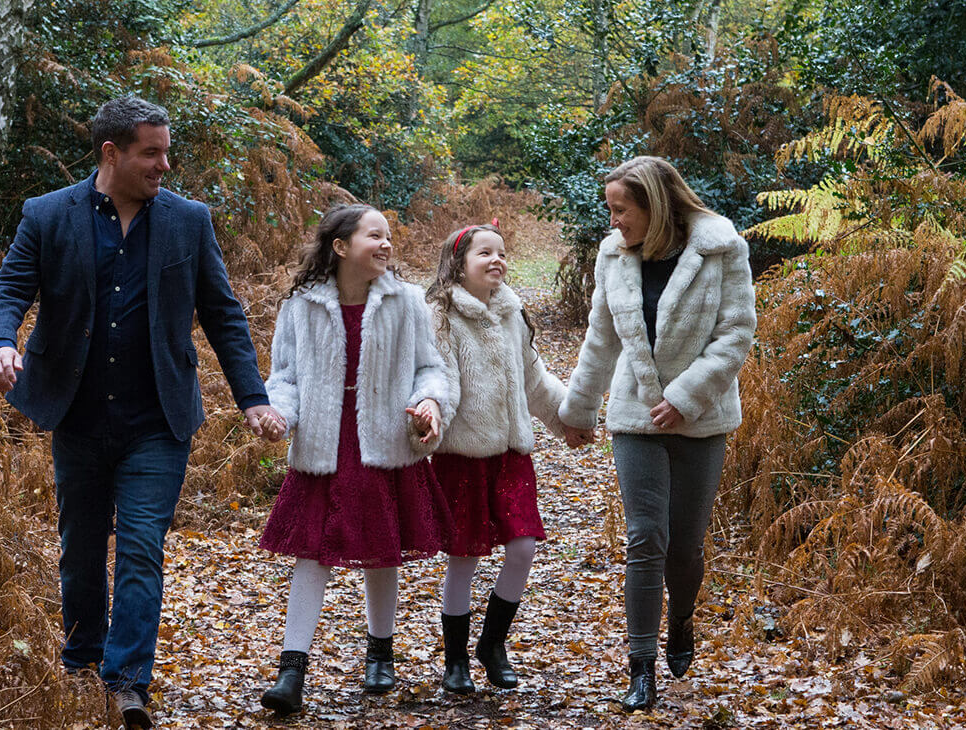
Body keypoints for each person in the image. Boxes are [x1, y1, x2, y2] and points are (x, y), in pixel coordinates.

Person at [0, 95, 286, 729]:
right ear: (112, 153)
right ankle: (82, 660)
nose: (164, 165)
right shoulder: (47, 216)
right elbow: (6, 291)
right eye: (152, 153)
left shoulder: (188, 221)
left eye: (166, 152)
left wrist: (252, 397)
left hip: (158, 421)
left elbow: (223, 315)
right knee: (81, 548)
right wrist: (0, 343)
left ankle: (126, 680)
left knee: (142, 547)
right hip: (78, 416)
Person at [555, 156, 756, 712]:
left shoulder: (721, 248)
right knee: (646, 537)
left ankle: (682, 621)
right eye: (610, 210)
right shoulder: (613, 254)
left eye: (622, 209)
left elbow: (736, 331)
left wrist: (687, 396)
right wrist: (578, 409)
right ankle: (640, 666)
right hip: (635, 415)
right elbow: (600, 337)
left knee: (685, 545)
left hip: (702, 418)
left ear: (656, 205)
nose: (613, 220)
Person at [256, 204, 453, 715]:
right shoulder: (300, 305)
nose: (387, 244)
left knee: (382, 548)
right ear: (341, 246)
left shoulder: (408, 301)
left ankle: (379, 652)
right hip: (323, 443)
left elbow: (430, 369)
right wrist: (278, 415)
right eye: (375, 236)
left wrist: (429, 402)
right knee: (313, 553)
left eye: (389, 236)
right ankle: (291, 670)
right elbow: (285, 378)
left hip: (384, 442)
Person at [422, 222, 567, 694]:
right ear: (459, 265)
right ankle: (456, 660)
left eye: (502, 253)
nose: (496, 260)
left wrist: (569, 423)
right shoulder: (441, 316)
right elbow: (437, 382)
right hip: (460, 455)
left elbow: (535, 382)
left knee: (523, 547)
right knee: (463, 558)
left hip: (510, 453)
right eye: (484, 253)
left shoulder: (511, 312)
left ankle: (492, 644)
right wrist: (429, 420)